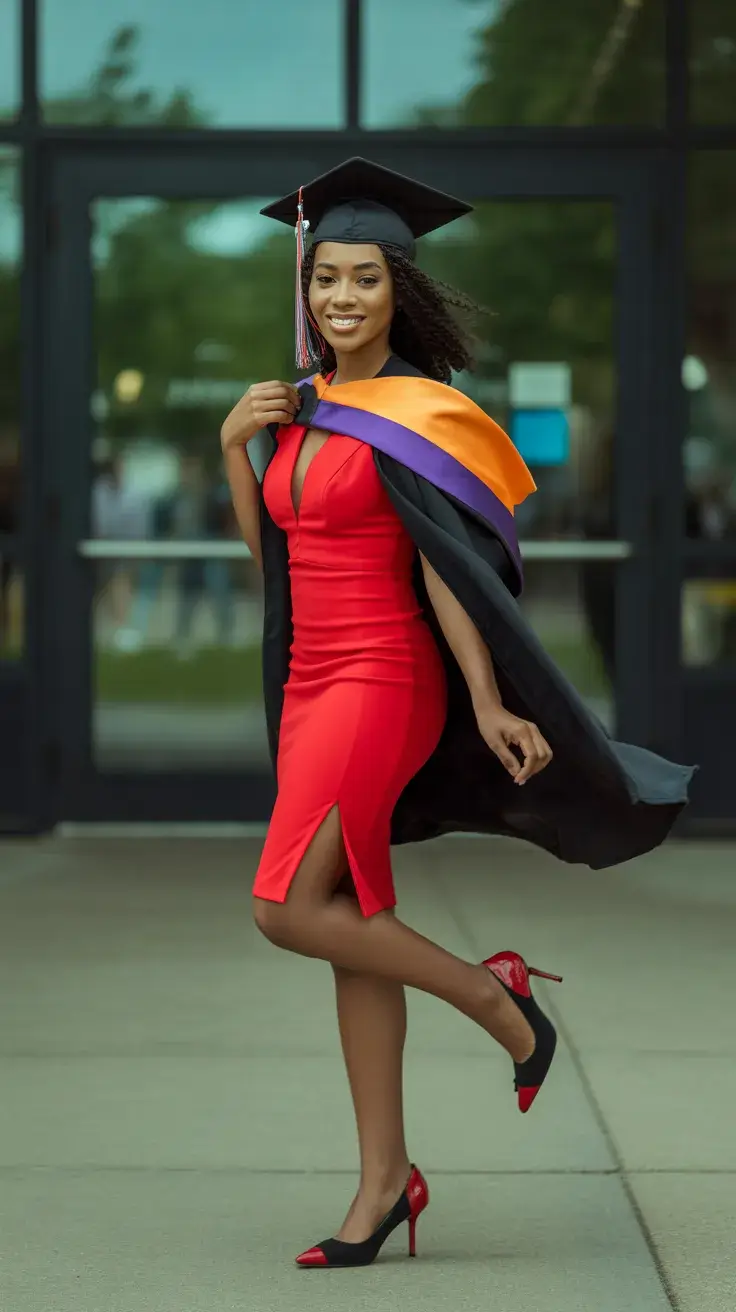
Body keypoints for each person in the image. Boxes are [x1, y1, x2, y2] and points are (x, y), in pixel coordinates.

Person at [220, 158, 694, 1269]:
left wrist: (482, 700)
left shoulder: (421, 415)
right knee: (349, 937)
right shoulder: (296, 410)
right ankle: (385, 1186)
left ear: (399, 292)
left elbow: (447, 572)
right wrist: (233, 451)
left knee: (283, 906)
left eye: (364, 280)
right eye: (324, 279)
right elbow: (272, 563)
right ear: (306, 288)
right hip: (307, 682)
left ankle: (502, 1004)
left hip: (384, 679)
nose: (339, 298)